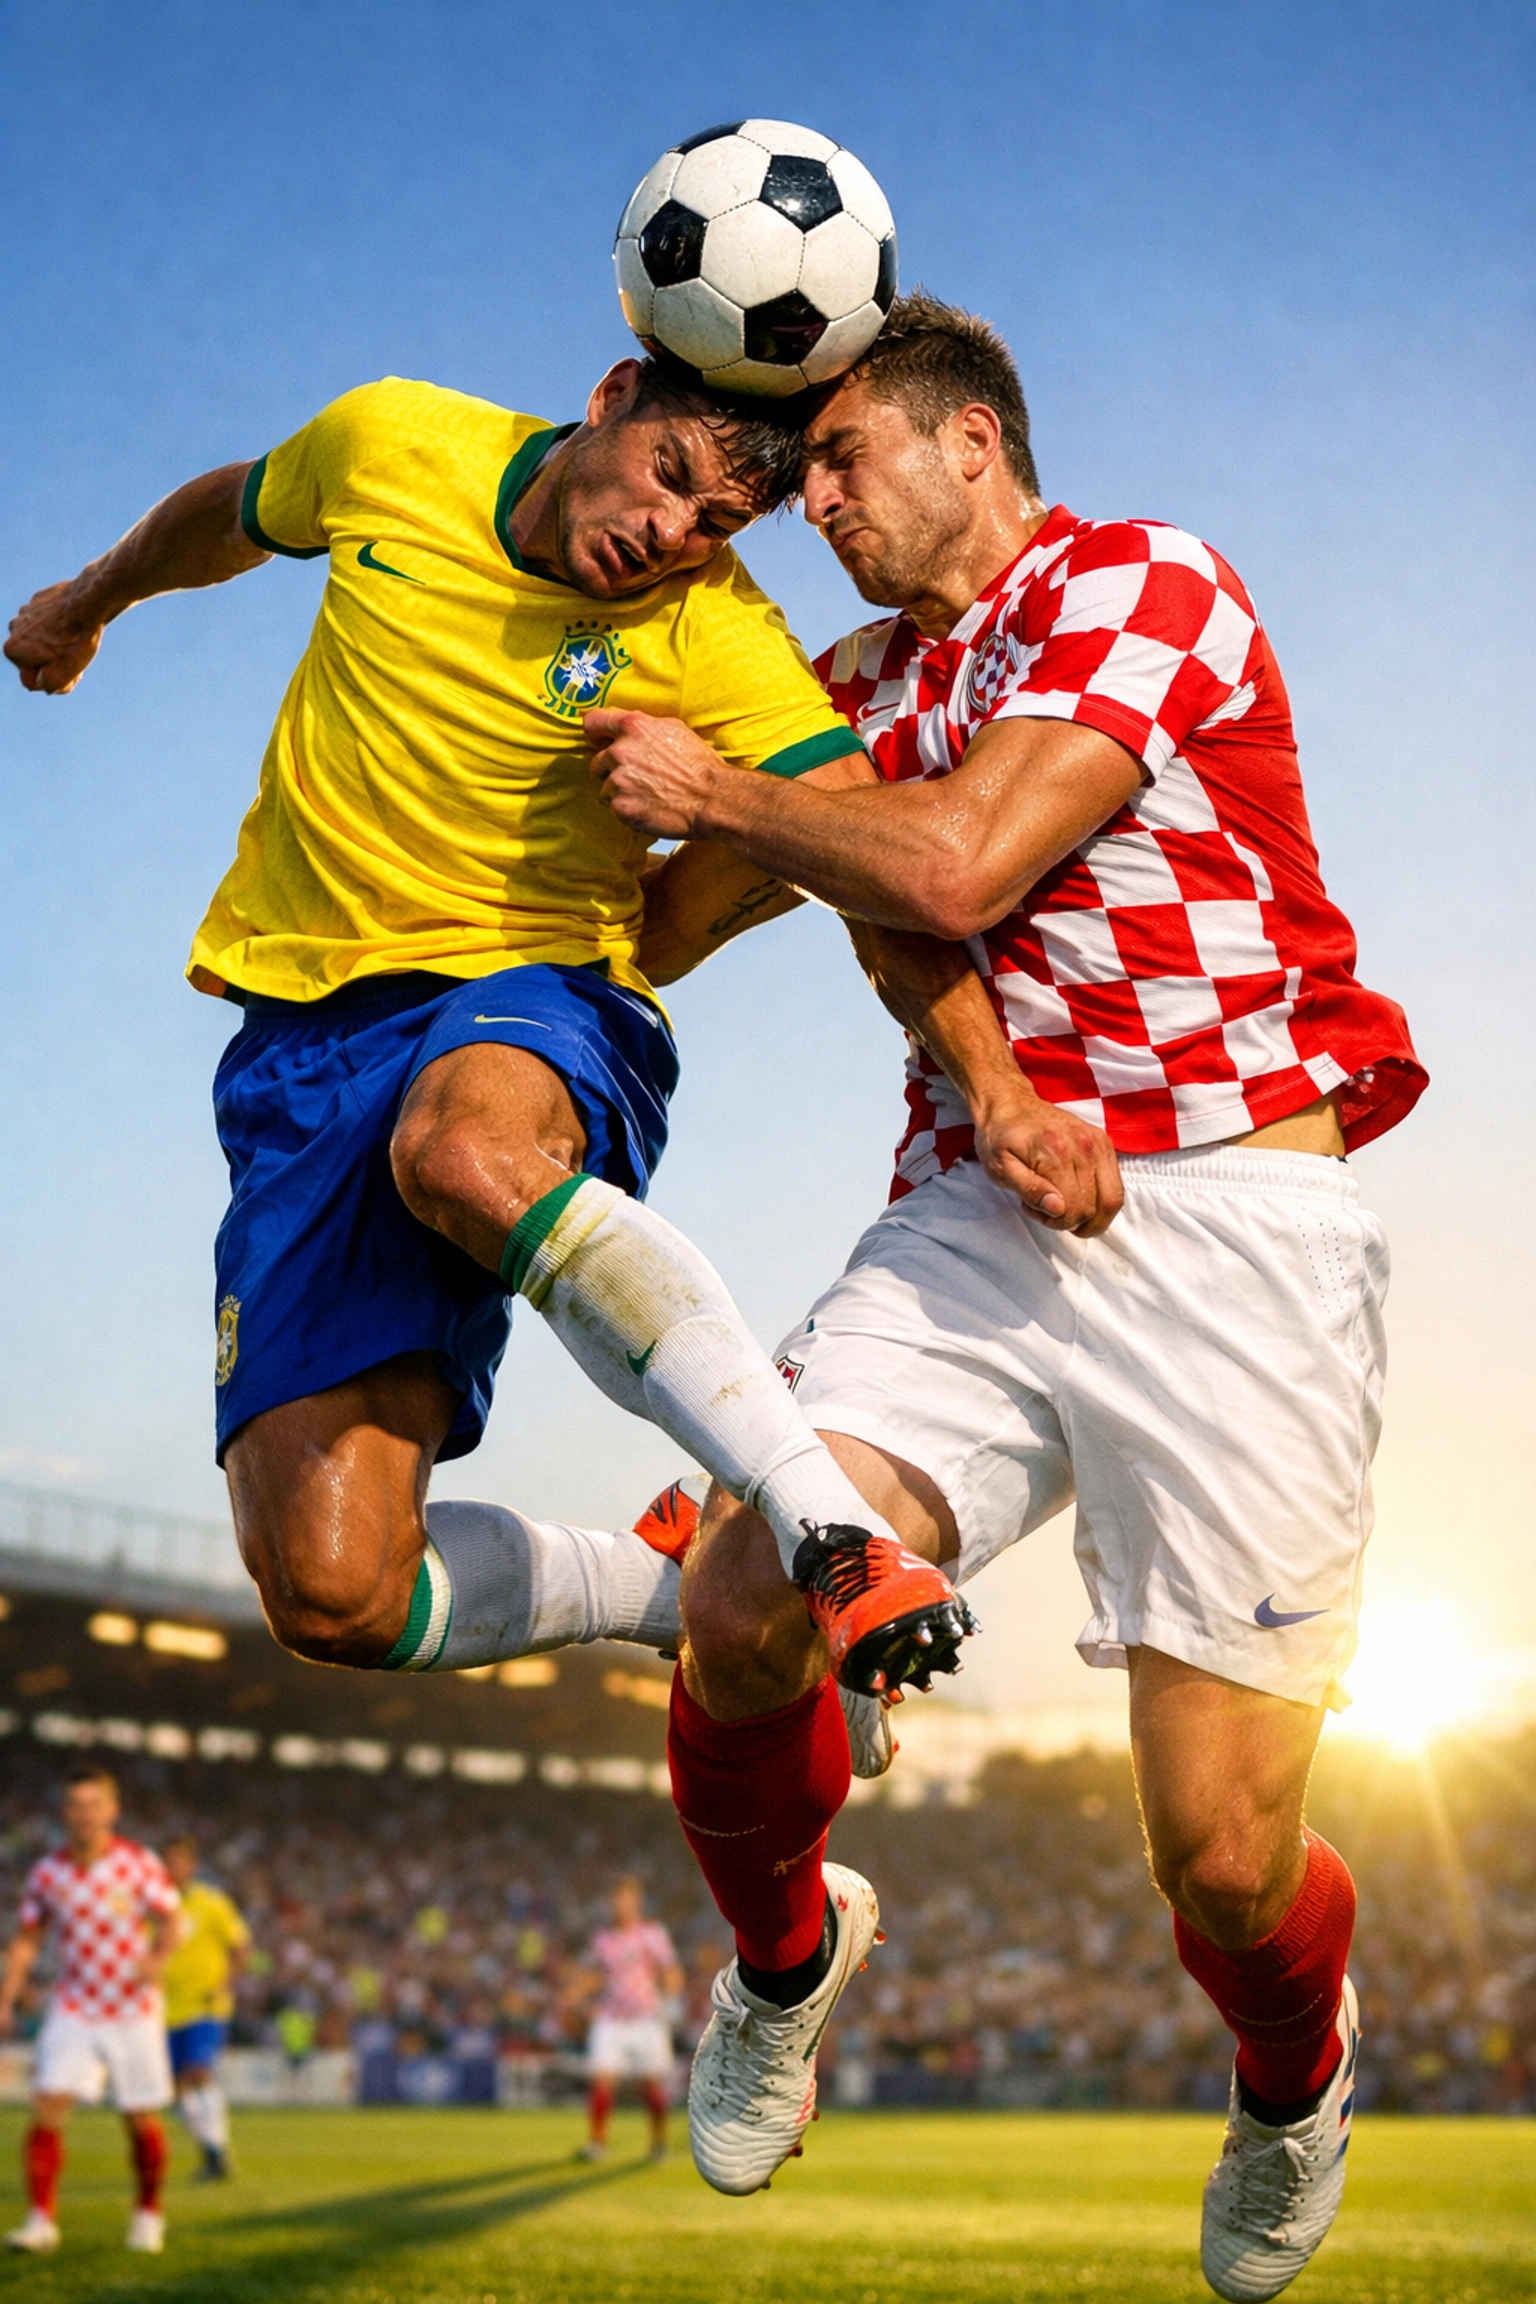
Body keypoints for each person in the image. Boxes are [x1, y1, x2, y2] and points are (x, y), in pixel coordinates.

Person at [588, 292, 1425, 2299]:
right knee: (743, 1586)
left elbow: (955, 866)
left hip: (1233, 1227)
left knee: (1220, 1860)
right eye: (786, 487)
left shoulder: (1144, 578)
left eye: (842, 461)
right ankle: (787, 1965)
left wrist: (731, 790)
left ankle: (1294, 2075)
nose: (816, 508)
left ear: (976, 443)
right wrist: (605, 676)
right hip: (976, 1214)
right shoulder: (848, 678)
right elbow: (663, 925)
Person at [3, 350, 969, 1706]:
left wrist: (685, 915)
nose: (674, 533)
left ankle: (829, 1531)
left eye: (717, 525)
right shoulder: (393, 440)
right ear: (611, 397)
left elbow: (852, 829)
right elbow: (233, 511)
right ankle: (679, 1586)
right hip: (302, 1039)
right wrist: (86, 602)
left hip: (536, 993)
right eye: (672, 476)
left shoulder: (713, 630)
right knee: (334, 1591)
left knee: (462, 1151)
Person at [0, 1764, 183, 2256]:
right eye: (75, 1805)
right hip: (76, 2003)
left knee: (138, 2116)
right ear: (64, 1813)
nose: (84, 1815)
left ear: (112, 1810)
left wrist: (157, 1959)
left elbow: (172, 1918)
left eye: (93, 1804)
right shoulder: (47, 1872)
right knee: (48, 2103)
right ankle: (41, 2220)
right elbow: (28, 1938)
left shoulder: (137, 1863)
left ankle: (148, 2214)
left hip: (132, 2007)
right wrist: (7, 1994)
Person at [160, 1835, 251, 2180]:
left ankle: (215, 2154)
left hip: (205, 2006)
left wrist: (223, 1984)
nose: (172, 1867)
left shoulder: (212, 1903)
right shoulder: (153, 1906)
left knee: (198, 2073)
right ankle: (211, 2148)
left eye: (178, 1860)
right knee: (172, 2091)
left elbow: (240, 1947)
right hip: (165, 2010)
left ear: (191, 1865)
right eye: (167, 1860)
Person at [577, 1878, 683, 2163]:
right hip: (611, 2017)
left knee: (652, 2083)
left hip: (646, 2016)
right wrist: (578, 1995)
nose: (620, 1904)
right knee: (601, 2078)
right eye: (615, 1898)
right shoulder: (602, 1938)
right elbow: (594, 1974)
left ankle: (659, 2144)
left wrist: (672, 1995)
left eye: (626, 1898)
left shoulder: (651, 1933)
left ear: (636, 1901)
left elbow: (670, 1969)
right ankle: (597, 2143)